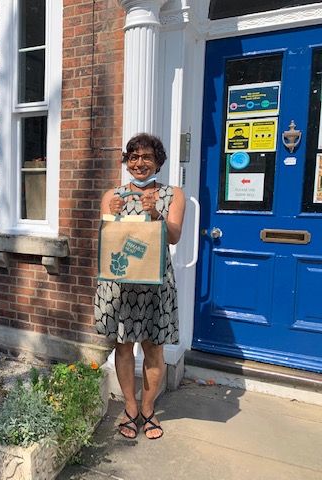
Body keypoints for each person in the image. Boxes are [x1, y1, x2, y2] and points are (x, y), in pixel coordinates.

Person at [95, 133, 185, 440]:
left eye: (146, 157)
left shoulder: (173, 194)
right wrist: (112, 213)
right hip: (123, 283)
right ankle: (130, 409)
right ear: (126, 162)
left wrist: (155, 213)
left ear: (158, 160)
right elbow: (106, 241)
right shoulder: (113, 195)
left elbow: (173, 236)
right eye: (133, 157)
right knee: (123, 347)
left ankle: (148, 410)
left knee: (153, 348)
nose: (139, 163)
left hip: (155, 283)